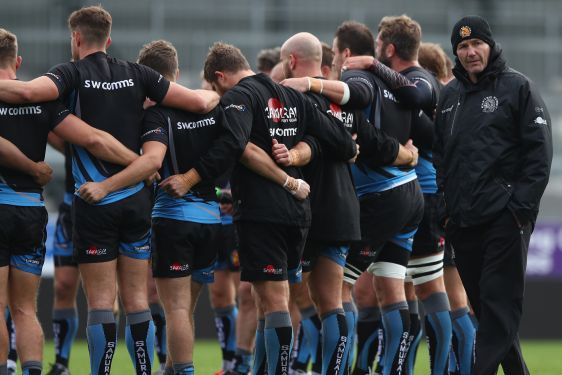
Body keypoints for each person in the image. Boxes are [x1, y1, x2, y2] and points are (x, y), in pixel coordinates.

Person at [0, 6, 219, 375]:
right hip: (137, 201)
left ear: (76, 38)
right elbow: (200, 101)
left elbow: (26, 94)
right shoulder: (138, 73)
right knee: (136, 299)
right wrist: (216, 97)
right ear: (109, 38)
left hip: (94, 199)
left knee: (101, 300)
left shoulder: (70, 74)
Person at [204, 41, 358, 375]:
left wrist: (194, 178)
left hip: (263, 212)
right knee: (269, 303)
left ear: (221, 77)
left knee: (275, 304)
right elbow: (344, 144)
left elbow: (236, 145)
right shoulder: (293, 97)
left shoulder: (239, 97)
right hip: (297, 214)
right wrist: (301, 152)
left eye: (215, 87)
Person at [282, 21, 423, 375]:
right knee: (390, 292)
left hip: (371, 197)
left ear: (345, 54)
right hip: (406, 190)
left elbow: (360, 115)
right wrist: (407, 155)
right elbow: (379, 136)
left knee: (334, 295)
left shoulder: (353, 83)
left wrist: (310, 85)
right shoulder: (395, 85)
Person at [0, 27, 142, 375]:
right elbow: (94, 139)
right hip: (31, 212)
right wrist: (139, 164)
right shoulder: (45, 103)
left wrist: (31, 167)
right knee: (25, 308)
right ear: (18, 61)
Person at [434, 15, 553, 375]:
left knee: (498, 308)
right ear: (456, 52)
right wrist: (445, 209)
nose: (470, 52)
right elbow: (440, 157)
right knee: (488, 312)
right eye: (463, 46)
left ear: (490, 45)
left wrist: (518, 210)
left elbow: (540, 155)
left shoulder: (518, 87)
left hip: (505, 219)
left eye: (477, 44)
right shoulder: (449, 96)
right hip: (463, 222)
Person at [343, 14, 453, 374]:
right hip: (414, 193)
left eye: (378, 46)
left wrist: (373, 66)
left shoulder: (420, 80)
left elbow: (417, 98)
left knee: (426, 291)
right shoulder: (397, 89)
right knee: (396, 291)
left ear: (389, 47)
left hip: (417, 193)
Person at [417, 41, 476, 375]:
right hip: (451, 202)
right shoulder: (452, 100)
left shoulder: (433, 103)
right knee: (455, 298)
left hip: (436, 202)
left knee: (447, 297)